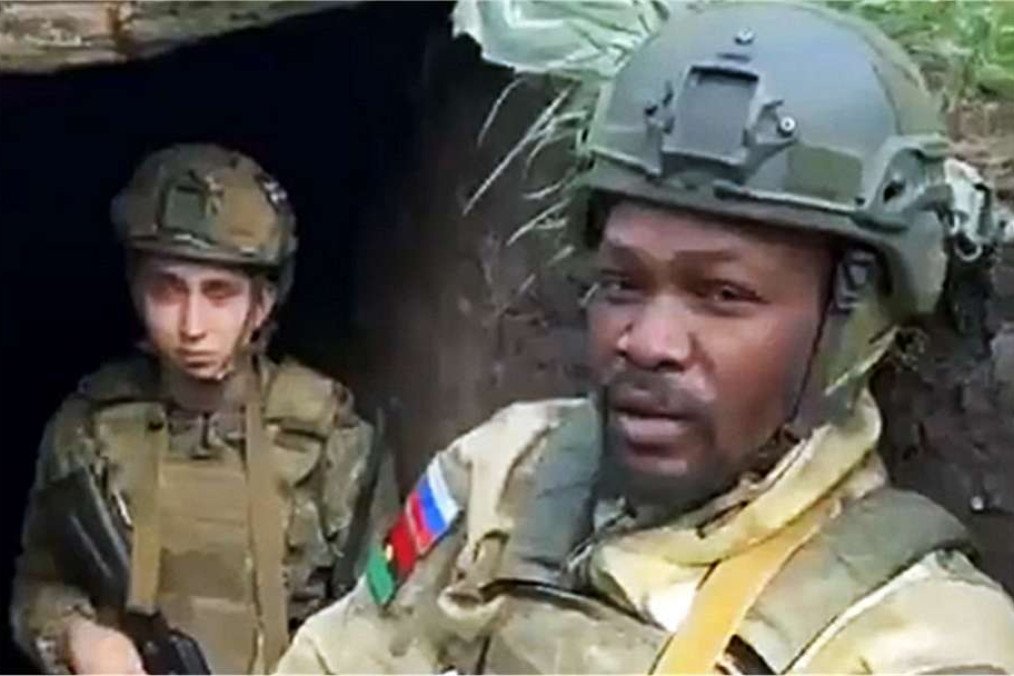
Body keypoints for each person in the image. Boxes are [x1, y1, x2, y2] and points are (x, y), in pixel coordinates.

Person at [277, 3, 1014, 674]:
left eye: (723, 295)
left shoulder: (917, 640)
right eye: (622, 283)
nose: (648, 341)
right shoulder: (504, 476)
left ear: (852, 321)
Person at [11, 144, 394, 674]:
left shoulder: (330, 437)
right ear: (136, 289)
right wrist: (78, 637)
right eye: (168, 290)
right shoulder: (91, 427)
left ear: (261, 303)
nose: (192, 326)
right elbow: (39, 584)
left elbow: (388, 612)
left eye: (219, 294)